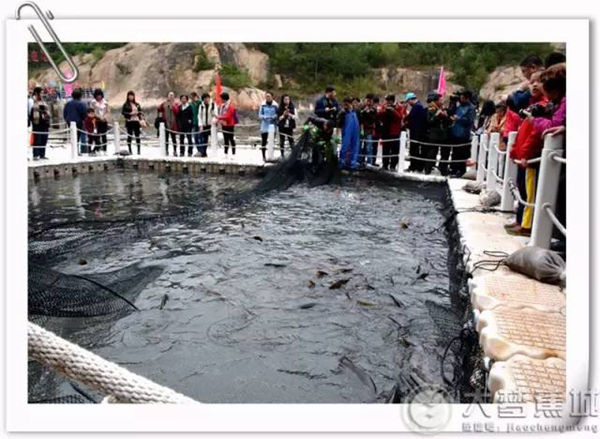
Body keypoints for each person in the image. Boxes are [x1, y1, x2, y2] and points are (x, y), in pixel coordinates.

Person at [448, 90, 476, 177]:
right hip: (455, 132)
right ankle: (453, 169)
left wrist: (458, 118)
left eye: (463, 98)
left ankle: (461, 170)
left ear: (467, 98)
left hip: (463, 134)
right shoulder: (459, 106)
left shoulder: (471, 108)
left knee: (461, 153)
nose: (461, 99)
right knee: (455, 152)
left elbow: (469, 121)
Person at [425, 92, 451, 175]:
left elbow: (448, 122)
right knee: (432, 153)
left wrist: (446, 116)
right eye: (440, 100)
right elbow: (430, 121)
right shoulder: (431, 110)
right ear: (436, 101)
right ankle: (428, 170)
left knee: (445, 153)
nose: (442, 101)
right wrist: (437, 115)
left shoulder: (444, 109)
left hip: (444, 135)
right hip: (435, 135)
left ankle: (443, 170)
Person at [379, 94, 405, 171]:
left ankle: (393, 166)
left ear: (392, 100)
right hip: (386, 131)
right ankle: (385, 165)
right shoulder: (384, 106)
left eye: (389, 100)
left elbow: (399, 118)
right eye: (387, 100)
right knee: (385, 149)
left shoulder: (399, 107)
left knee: (395, 150)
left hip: (395, 132)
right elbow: (379, 115)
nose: (387, 102)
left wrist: (393, 110)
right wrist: (385, 110)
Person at [405, 92, 428, 172]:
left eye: (408, 101)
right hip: (417, 133)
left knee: (414, 151)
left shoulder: (417, 107)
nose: (408, 103)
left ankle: (414, 166)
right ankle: (416, 166)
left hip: (416, 133)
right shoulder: (418, 106)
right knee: (414, 151)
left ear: (411, 99)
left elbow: (415, 121)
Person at [337, 97, 361, 170]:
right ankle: (342, 162)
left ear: (351, 104)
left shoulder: (356, 111)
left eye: (347, 104)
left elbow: (360, 121)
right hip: (346, 132)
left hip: (356, 132)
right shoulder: (342, 112)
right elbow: (339, 124)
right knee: (345, 146)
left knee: (355, 147)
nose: (345, 106)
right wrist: (338, 134)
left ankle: (353, 164)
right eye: (344, 105)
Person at [63, 89, 88, 154]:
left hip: (69, 121)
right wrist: (83, 119)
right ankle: (80, 150)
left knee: (73, 136)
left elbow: (65, 113)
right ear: (80, 96)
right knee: (79, 136)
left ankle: (74, 150)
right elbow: (84, 113)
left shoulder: (68, 104)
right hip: (78, 122)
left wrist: (67, 120)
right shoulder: (81, 104)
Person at [29, 87, 50, 160]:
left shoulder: (44, 101)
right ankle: (36, 155)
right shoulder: (32, 101)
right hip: (37, 123)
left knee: (44, 139)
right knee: (37, 139)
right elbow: (30, 113)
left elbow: (47, 111)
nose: (42, 94)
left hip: (45, 123)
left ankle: (42, 154)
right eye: (41, 93)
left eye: (42, 92)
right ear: (36, 93)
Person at [121, 91, 144, 155]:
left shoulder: (137, 104)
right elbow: (123, 112)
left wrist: (139, 114)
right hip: (129, 121)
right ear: (127, 96)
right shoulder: (125, 104)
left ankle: (139, 150)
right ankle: (130, 150)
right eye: (130, 95)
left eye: (132, 95)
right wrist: (130, 114)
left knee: (137, 135)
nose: (131, 97)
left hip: (136, 121)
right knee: (129, 136)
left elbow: (140, 111)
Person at [157, 91, 179, 156]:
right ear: (168, 96)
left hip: (173, 123)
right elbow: (159, 109)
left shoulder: (176, 104)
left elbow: (177, 111)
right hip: (165, 122)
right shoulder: (164, 103)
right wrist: (162, 104)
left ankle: (175, 150)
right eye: (170, 95)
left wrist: (172, 105)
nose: (171, 97)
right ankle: (166, 150)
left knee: (173, 138)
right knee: (166, 137)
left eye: (172, 95)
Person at [258, 92, 278, 161]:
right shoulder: (263, 105)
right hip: (264, 125)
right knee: (264, 141)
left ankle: (271, 156)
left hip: (272, 125)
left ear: (272, 97)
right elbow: (260, 115)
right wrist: (264, 117)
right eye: (266, 96)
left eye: (269, 96)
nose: (267, 97)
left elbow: (278, 114)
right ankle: (263, 156)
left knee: (272, 141)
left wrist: (275, 116)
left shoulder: (275, 105)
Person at [360, 94, 378, 166]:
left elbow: (374, 119)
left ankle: (369, 162)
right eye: (367, 100)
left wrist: (368, 113)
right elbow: (360, 118)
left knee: (369, 146)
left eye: (370, 101)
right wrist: (364, 111)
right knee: (361, 146)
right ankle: (361, 160)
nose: (368, 102)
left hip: (369, 129)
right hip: (361, 128)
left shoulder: (374, 109)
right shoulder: (362, 108)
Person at [89, 89, 109, 154]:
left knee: (104, 136)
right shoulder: (93, 102)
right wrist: (99, 117)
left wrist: (104, 117)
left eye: (100, 95)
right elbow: (92, 112)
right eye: (97, 95)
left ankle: (105, 150)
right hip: (96, 121)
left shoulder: (105, 102)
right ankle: (97, 149)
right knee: (97, 136)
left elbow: (108, 111)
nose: (99, 97)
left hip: (104, 121)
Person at [217, 92, 237, 156]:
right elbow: (222, 114)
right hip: (224, 125)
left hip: (230, 125)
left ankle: (234, 153)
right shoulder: (223, 106)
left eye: (222, 99)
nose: (221, 100)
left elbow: (227, 116)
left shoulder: (230, 106)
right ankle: (226, 153)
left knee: (231, 139)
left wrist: (218, 117)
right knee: (225, 139)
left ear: (225, 99)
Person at [197, 92, 216, 157]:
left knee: (213, 139)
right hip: (204, 125)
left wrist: (213, 122)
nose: (206, 99)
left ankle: (214, 152)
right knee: (204, 139)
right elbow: (199, 116)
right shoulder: (201, 106)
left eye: (207, 98)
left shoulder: (213, 105)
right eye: (205, 98)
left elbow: (215, 114)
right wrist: (200, 125)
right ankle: (204, 152)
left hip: (211, 125)